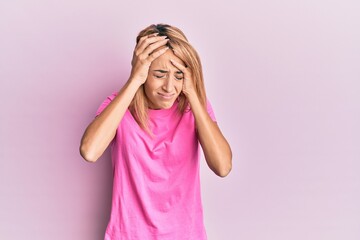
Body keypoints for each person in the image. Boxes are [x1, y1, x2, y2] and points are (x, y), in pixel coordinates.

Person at [79, 23, 232, 240]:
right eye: (159, 74)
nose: (169, 87)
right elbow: (89, 151)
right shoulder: (118, 106)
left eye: (178, 75)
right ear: (143, 71)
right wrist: (134, 80)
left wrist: (193, 94)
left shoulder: (194, 108)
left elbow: (223, 167)